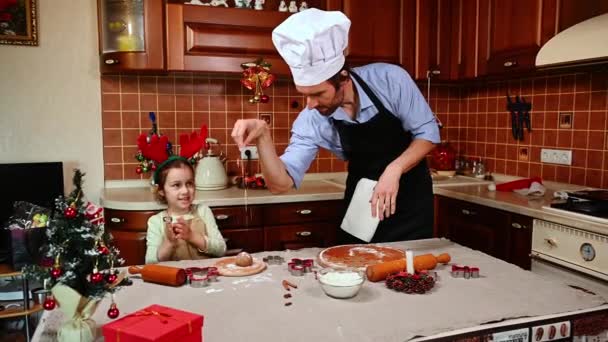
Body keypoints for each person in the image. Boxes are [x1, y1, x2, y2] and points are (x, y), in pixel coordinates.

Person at [231, 9, 440, 244]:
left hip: (411, 205)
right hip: (363, 206)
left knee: (410, 275)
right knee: (357, 271)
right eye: (305, 95)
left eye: (318, 94)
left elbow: (428, 134)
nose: (310, 104)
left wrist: (394, 169)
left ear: (343, 78)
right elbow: (281, 184)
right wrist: (263, 139)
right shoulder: (312, 118)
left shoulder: (390, 80)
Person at [145, 156, 226, 264]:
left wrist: (192, 236)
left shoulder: (203, 211)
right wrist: (168, 243)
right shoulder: (156, 222)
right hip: (173, 278)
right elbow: (150, 263)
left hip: (205, 276)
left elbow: (222, 250)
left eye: (189, 183)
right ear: (161, 191)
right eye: (176, 185)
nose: (185, 191)